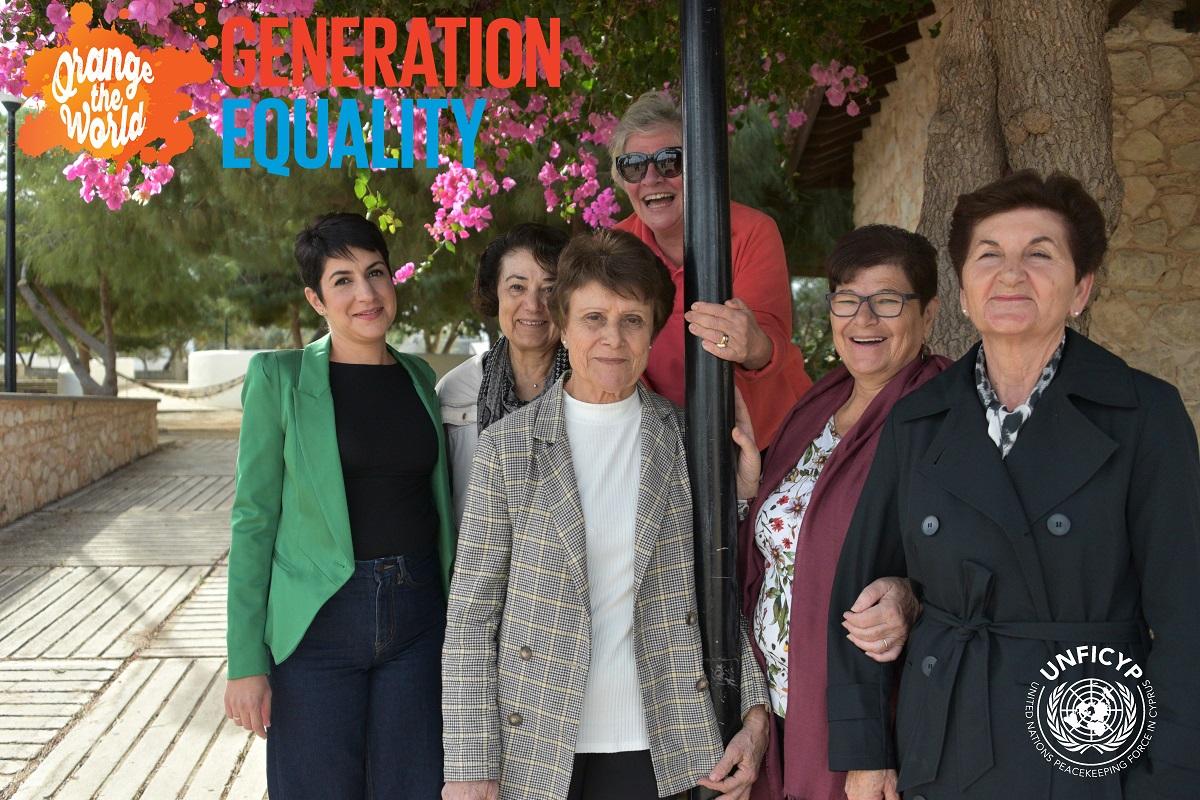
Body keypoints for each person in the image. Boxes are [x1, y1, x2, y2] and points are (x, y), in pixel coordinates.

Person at [826, 171, 1200, 800]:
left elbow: (1187, 618)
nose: (1011, 274)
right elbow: (858, 592)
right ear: (964, 292)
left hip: (1090, 738)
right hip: (943, 741)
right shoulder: (917, 419)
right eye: (989, 254)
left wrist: (1173, 779)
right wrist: (867, 754)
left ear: (1081, 289)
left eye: (1040, 254)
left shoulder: (1145, 414)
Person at [442, 229, 770, 800]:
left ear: (653, 331)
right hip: (536, 747)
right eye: (594, 318)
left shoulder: (686, 441)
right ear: (564, 325)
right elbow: (471, 617)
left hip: (665, 744)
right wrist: (469, 766)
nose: (613, 339)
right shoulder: (507, 449)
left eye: (632, 320)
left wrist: (754, 714)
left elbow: (719, 589)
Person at [224, 212, 455, 799]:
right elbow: (253, 521)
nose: (366, 294)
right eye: (343, 280)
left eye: (375, 272)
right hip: (318, 623)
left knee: (415, 788)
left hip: (419, 618)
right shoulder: (278, 378)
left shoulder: (419, 377)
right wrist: (245, 661)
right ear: (316, 298)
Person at [732, 225, 949, 800]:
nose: (863, 319)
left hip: (867, 725)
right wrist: (753, 491)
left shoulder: (943, 414)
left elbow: (971, 566)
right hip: (780, 713)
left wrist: (912, 598)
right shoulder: (820, 403)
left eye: (887, 301)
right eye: (847, 300)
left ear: (928, 314)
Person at [610, 90, 812, 448]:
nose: (651, 178)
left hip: (771, 436)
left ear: (699, 166)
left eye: (670, 161)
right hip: (667, 442)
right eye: (634, 166)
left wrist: (751, 345)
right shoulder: (614, 248)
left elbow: (769, 341)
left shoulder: (751, 231)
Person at [437, 223, 570, 524]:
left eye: (550, 289)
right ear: (495, 293)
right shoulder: (455, 392)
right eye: (517, 287)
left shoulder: (590, 388)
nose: (533, 305)